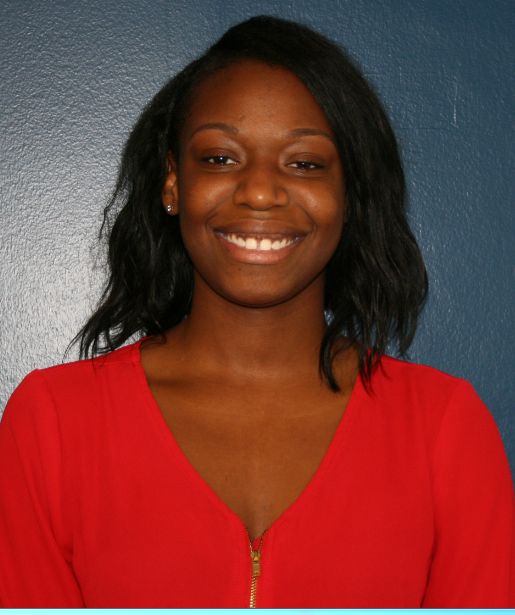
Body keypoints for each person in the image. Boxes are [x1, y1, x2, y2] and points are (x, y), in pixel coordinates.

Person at [0, 15, 513, 608]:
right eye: (220, 158)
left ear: (350, 194)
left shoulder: (445, 431)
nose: (260, 191)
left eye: (305, 162)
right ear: (172, 182)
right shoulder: (52, 426)